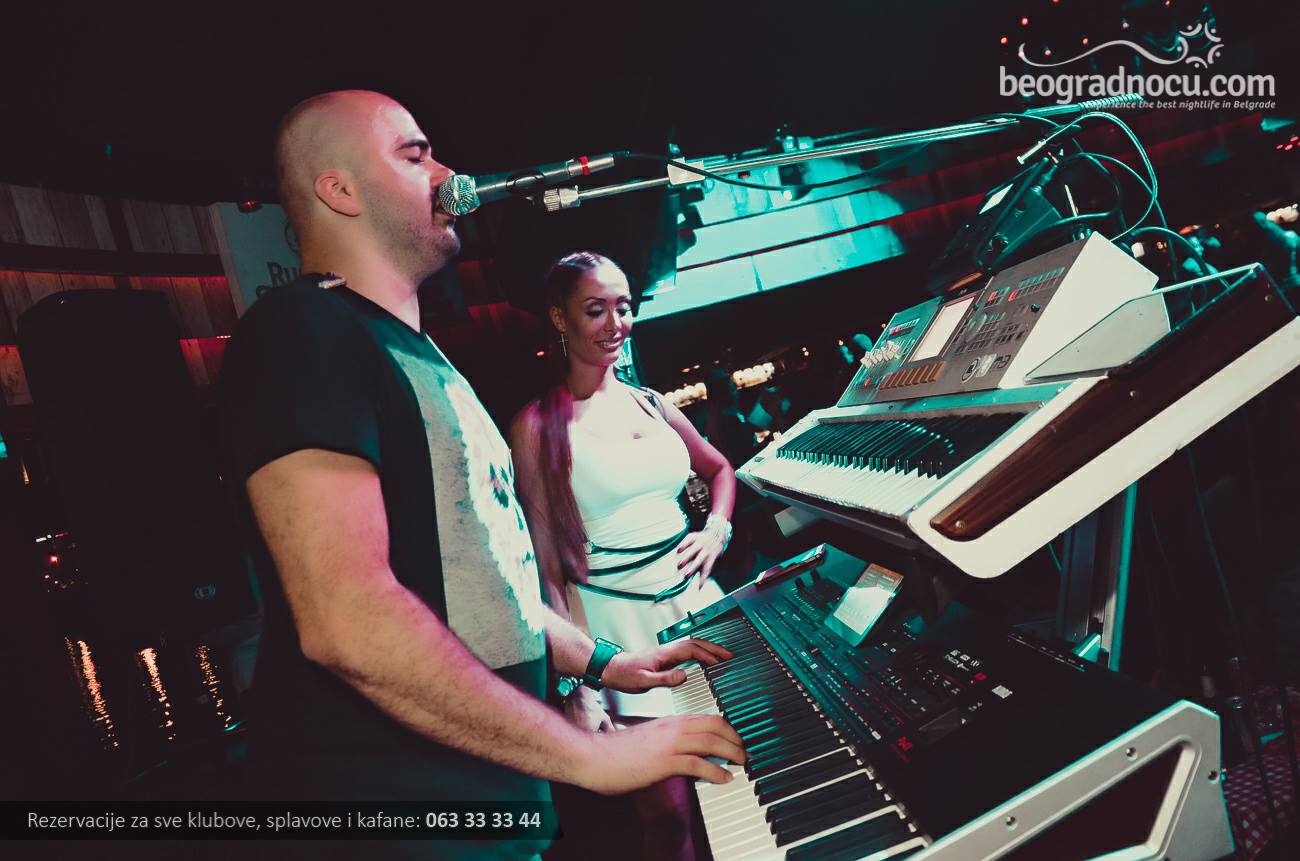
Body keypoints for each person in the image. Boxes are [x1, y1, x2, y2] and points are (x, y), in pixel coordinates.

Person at [218, 91, 743, 860]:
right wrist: (591, 756)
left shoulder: (419, 356)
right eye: (415, 154)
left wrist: (605, 661)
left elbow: (489, 587)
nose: (448, 174)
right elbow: (345, 621)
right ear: (340, 189)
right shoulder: (303, 328)